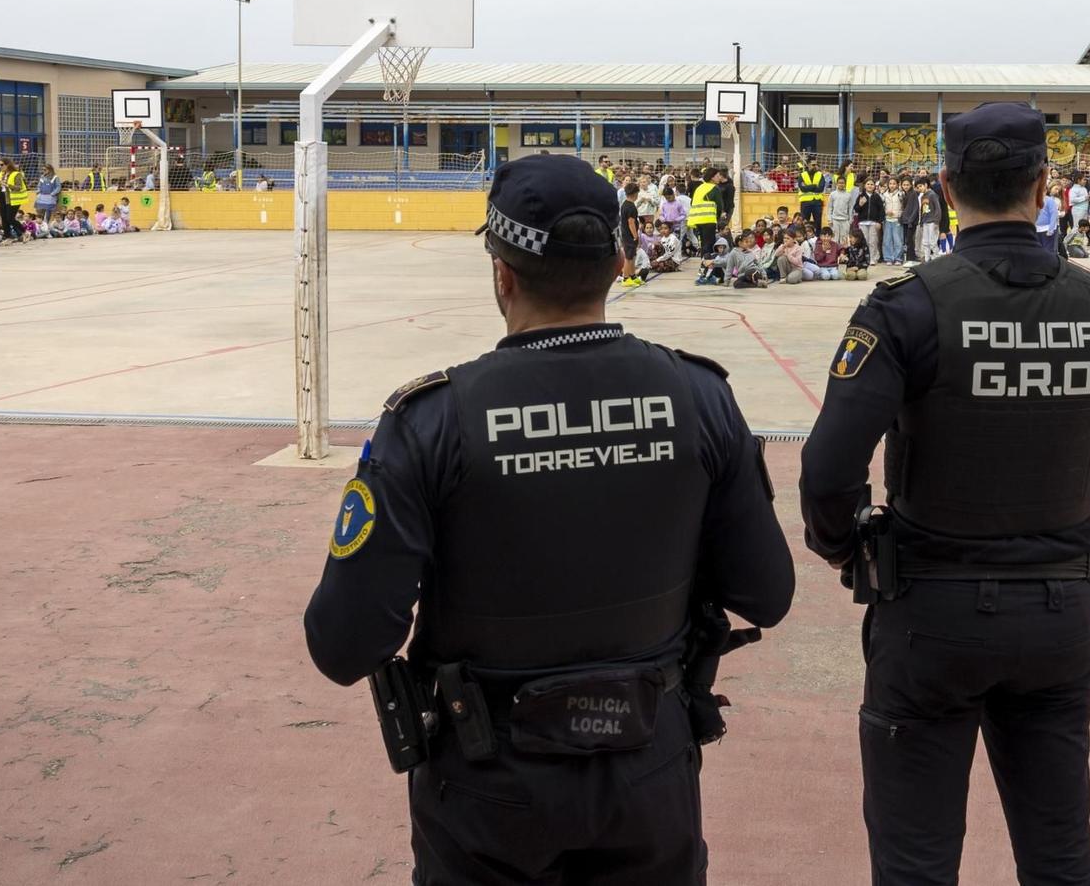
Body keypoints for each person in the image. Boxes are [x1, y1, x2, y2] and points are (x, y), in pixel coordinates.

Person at [303, 154, 794, 882]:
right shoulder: (700, 398)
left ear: (501, 272)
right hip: (648, 768)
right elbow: (767, 594)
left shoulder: (431, 421)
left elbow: (343, 642)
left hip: (487, 783)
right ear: (621, 260)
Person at [798, 101, 1090, 886]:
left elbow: (828, 471)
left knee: (915, 864)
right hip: (1058, 612)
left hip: (929, 614)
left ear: (944, 186)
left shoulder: (905, 307)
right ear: (1044, 186)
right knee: (1060, 855)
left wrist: (849, 545)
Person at [687, 168, 721, 258]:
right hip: (709, 219)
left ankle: (703, 263)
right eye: (718, 176)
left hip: (697, 220)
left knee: (703, 243)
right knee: (709, 244)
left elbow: (692, 202)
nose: (719, 178)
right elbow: (720, 206)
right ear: (712, 178)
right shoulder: (714, 188)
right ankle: (707, 265)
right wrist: (718, 217)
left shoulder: (700, 188)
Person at [618, 181, 643, 289]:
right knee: (628, 258)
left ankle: (632, 276)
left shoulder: (625, 204)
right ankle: (625, 278)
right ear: (635, 194)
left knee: (632, 256)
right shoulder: (631, 207)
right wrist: (635, 235)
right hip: (629, 236)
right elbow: (631, 222)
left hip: (626, 234)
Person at [0, 157, 29, 241]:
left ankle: (25, 231)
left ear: (8, 165)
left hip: (13, 198)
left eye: (2, 165)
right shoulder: (1, 174)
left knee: (10, 218)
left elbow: (19, 187)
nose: (0, 167)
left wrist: (8, 185)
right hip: (2, 197)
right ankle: (8, 236)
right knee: (4, 218)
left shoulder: (16, 174)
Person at [796, 156, 826, 232]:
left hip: (817, 202)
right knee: (805, 223)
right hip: (806, 203)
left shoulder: (820, 174)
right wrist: (814, 186)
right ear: (808, 165)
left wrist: (808, 187)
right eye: (813, 165)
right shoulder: (802, 175)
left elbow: (821, 188)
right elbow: (802, 188)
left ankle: (818, 239)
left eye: (816, 164)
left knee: (818, 223)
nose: (815, 166)